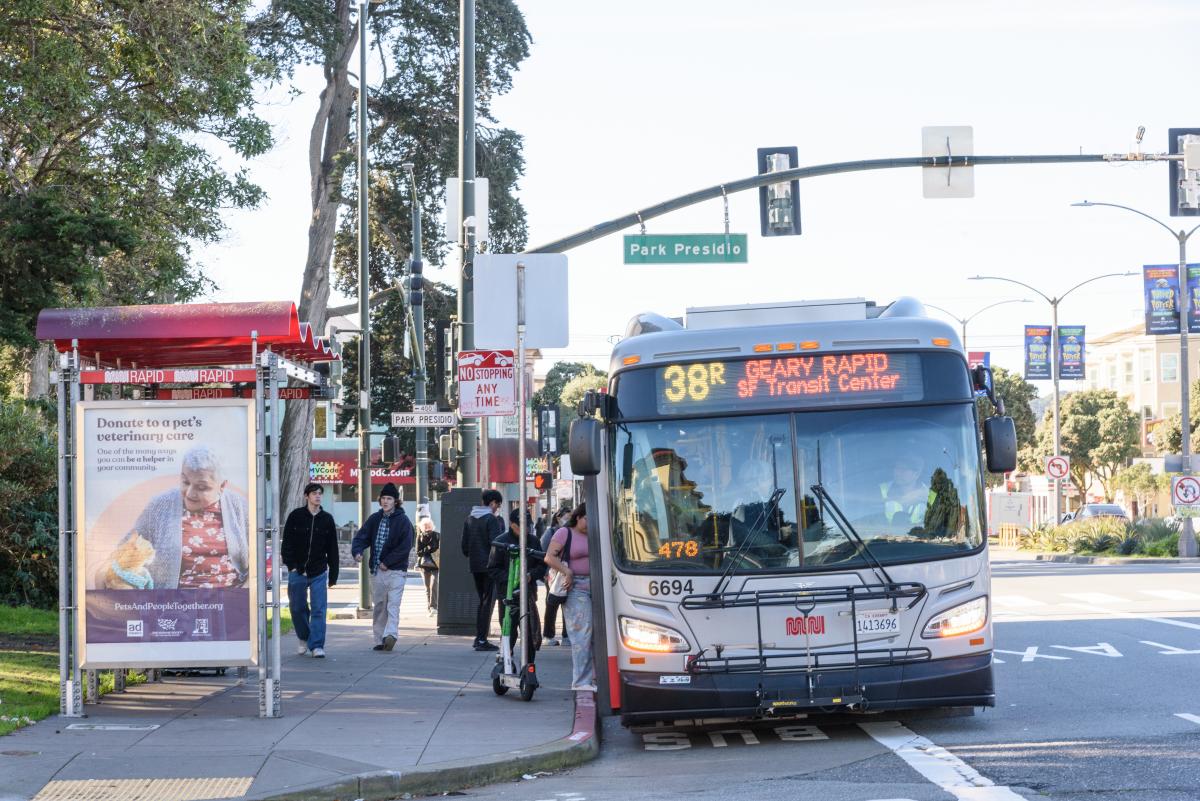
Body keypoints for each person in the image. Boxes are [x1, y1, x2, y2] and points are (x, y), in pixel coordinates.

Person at [106, 445, 249, 590]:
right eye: (186, 482)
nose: (189, 493)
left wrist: (241, 598)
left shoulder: (239, 507)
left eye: (201, 487)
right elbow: (124, 553)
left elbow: (258, 565)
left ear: (222, 485)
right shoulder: (160, 506)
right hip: (173, 606)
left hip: (230, 604)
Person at [351, 483, 413, 651]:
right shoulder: (375, 519)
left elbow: (405, 547)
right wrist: (357, 551)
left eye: (389, 499)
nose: (385, 501)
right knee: (379, 606)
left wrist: (388, 561)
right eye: (383, 498)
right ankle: (380, 640)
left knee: (393, 604)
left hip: (396, 571)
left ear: (396, 501)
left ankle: (391, 634)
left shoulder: (403, 521)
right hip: (377, 571)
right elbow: (361, 537)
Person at [281, 483, 340, 658]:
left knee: (319, 609)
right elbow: (287, 544)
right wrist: (291, 565)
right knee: (297, 607)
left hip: (319, 570)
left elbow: (333, 548)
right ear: (307, 496)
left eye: (320, 494)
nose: (318, 496)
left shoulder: (327, 519)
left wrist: (333, 575)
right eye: (314, 493)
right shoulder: (296, 516)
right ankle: (304, 637)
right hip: (297, 570)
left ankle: (317, 646)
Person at [543, 502, 595, 692]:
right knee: (582, 633)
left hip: (596, 585)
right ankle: (581, 681)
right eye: (587, 518)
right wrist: (567, 571)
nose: (590, 523)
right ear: (578, 517)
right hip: (574, 587)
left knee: (598, 634)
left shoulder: (596, 533)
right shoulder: (565, 533)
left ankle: (594, 677)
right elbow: (549, 557)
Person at [489, 508, 548, 662]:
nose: (525, 528)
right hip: (507, 595)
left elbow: (542, 566)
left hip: (528, 594)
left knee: (529, 632)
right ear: (512, 524)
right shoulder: (501, 541)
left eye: (527, 525)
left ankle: (529, 665)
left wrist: (530, 575)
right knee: (509, 630)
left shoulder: (534, 541)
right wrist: (511, 578)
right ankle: (504, 659)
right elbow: (492, 569)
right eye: (521, 525)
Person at [462, 488, 504, 651]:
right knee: (487, 602)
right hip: (489, 566)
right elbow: (496, 544)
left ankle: (479, 638)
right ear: (492, 503)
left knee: (483, 601)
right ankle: (481, 639)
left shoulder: (469, 519)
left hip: (475, 565)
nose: (497, 508)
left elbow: (464, 547)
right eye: (497, 505)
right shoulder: (491, 520)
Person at [540, 506, 572, 646]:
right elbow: (543, 553)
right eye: (567, 517)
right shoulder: (551, 532)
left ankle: (566, 635)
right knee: (552, 604)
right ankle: (548, 635)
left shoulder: (572, 532)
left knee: (568, 603)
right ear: (558, 518)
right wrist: (546, 573)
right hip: (553, 574)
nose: (569, 520)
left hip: (568, 573)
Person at [880, 453, 937, 528]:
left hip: (921, 538)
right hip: (885, 537)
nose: (897, 472)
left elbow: (936, 525)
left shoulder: (931, 496)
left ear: (917, 474)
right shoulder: (881, 490)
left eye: (903, 469)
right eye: (897, 467)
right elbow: (873, 522)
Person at [415, 517, 440, 616]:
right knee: (427, 587)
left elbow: (440, 548)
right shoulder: (420, 537)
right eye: (425, 526)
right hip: (424, 565)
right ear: (422, 527)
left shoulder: (437, 535)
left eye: (428, 525)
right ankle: (429, 608)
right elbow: (418, 552)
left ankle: (434, 606)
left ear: (432, 525)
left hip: (436, 564)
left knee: (434, 585)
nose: (427, 527)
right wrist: (428, 548)